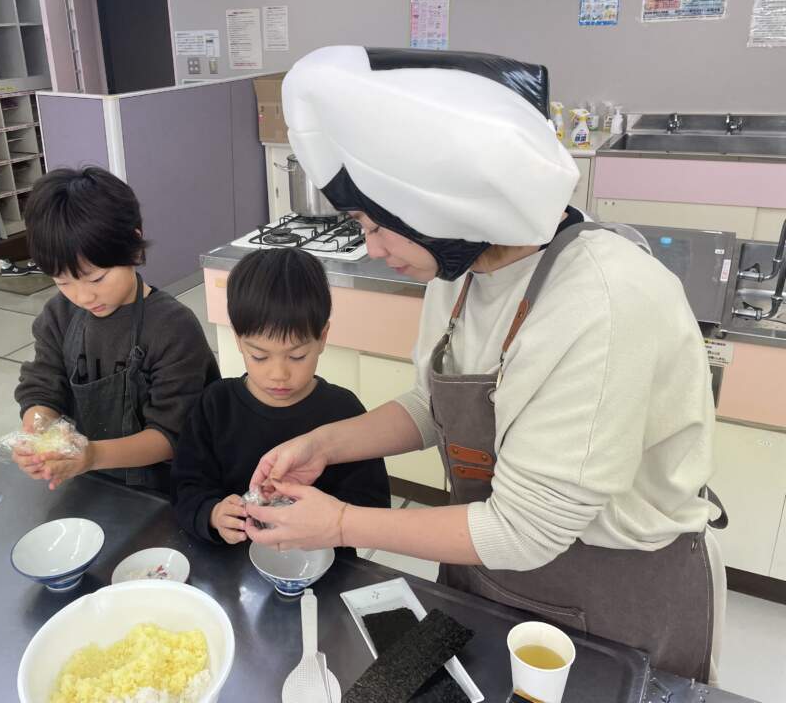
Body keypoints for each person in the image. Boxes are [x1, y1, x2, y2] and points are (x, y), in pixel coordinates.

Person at [243, 46, 726, 682]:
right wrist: (327, 444)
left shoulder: (604, 302)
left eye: (377, 225)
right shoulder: (463, 268)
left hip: (612, 585)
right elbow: (436, 406)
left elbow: (526, 531)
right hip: (483, 557)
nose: (371, 245)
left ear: (443, 208)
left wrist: (339, 523)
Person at [13, 166, 219, 493]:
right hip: (90, 482)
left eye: (96, 278)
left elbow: (171, 435)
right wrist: (41, 432)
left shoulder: (172, 327)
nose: (83, 296)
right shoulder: (59, 314)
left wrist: (92, 454)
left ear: (134, 248)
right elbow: (42, 387)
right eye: (63, 282)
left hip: (166, 492)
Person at [171, 247, 390, 546]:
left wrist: (327, 519)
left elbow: (373, 504)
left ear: (322, 337)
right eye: (259, 356)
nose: (278, 374)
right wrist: (212, 513)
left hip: (319, 565)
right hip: (234, 564)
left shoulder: (344, 411)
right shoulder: (215, 405)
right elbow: (187, 486)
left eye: (297, 356)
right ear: (238, 339)